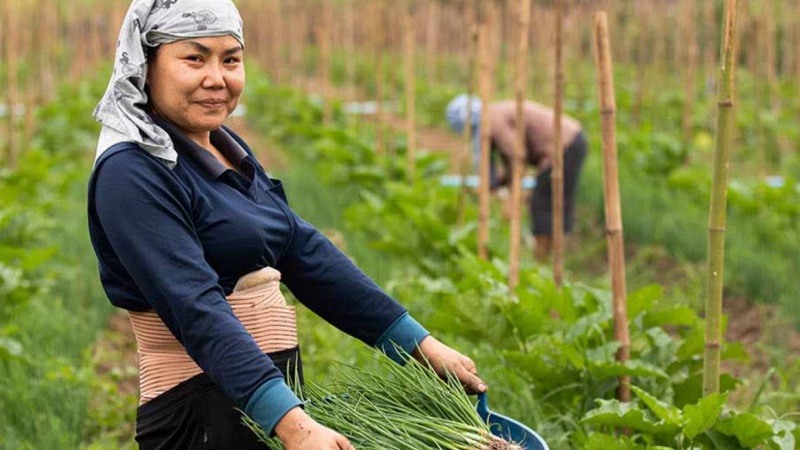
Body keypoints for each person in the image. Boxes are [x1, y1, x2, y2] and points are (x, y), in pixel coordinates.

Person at [87, 2, 486, 449]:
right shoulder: (132, 173)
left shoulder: (224, 145)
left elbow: (298, 247)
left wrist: (419, 346)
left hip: (262, 401)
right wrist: (293, 425)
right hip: (200, 414)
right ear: (147, 64)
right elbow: (194, 307)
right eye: (194, 59)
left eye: (231, 59)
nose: (217, 78)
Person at [445, 94, 588, 262]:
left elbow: (517, 156)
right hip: (570, 140)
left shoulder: (492, 120)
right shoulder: (493, 115)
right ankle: (550, 257)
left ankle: (544, 260)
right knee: (552, 202)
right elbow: (510, 160)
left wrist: (512, 199)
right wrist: (501, 181)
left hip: (563, 145)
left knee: (543, 203)